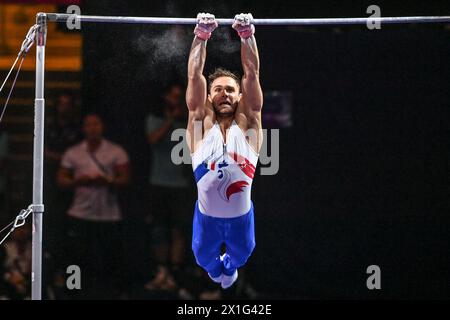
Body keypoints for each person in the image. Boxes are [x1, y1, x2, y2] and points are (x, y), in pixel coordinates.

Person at [186, 13, 263, 289]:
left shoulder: (250, 126)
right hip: (207, 220)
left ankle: (229, 269)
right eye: (217, 89)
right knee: (204, 258)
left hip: (241, 220)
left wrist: (247, 35)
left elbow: (252, 73)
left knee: (240, 256)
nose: (225, 94)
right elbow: (195, 75)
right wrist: (201, 35)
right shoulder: (199, 127)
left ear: (240, 96)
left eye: (230, 90)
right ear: (209, 96)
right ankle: (217, 270)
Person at [57, 114, 130, 297]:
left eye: (96, 124)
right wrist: (77, 181)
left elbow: (125, 179)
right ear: (83, 128)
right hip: (80, 213)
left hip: (108, 214)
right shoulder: (73, 152)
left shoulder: (115, 151)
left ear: (102, 126)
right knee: (78, 258)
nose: (93, 128)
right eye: (89, 125)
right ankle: (76, 293)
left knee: (109, 259)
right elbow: (61, 180)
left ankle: (109, 293)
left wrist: (108, 180)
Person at [145, 83, 193, 290]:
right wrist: (170, 121)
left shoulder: (189, 122)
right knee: (159, 229)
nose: (176, 100)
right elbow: (153, 140)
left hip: (181, 184)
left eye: (178, 97)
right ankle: (161, 270)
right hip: (159, 182)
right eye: (172, 96)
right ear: (165, 98)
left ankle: (174, 273)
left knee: (178, 230)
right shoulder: (154, 119)